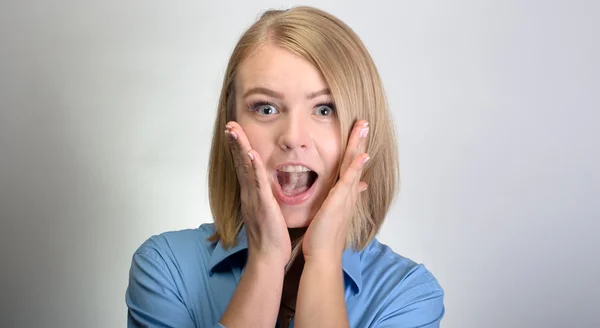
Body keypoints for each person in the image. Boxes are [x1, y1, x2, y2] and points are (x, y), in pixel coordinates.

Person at [125, 6, 444, 328]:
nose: (293, 137)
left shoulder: (407, 296)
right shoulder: (166, 267)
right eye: (266, 108)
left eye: (324, 109)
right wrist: (265, 261)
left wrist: (323, 262)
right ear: (230, 123)